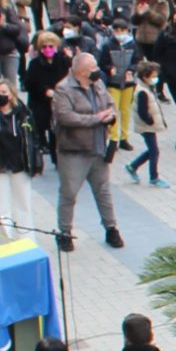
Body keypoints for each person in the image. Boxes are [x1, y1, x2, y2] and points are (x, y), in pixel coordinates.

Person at [49, 48, 124, 249]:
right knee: (69, 193)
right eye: (93, 68)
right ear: (81, 71)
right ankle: (64, 232)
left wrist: (110, 116)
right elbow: (65, 117)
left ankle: (111, 228)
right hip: (74, 151)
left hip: (98, 148)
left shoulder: (98, 84)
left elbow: (110, 104)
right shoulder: (63, 89)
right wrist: (96, 119)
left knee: (103, 191)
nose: (97, 70)